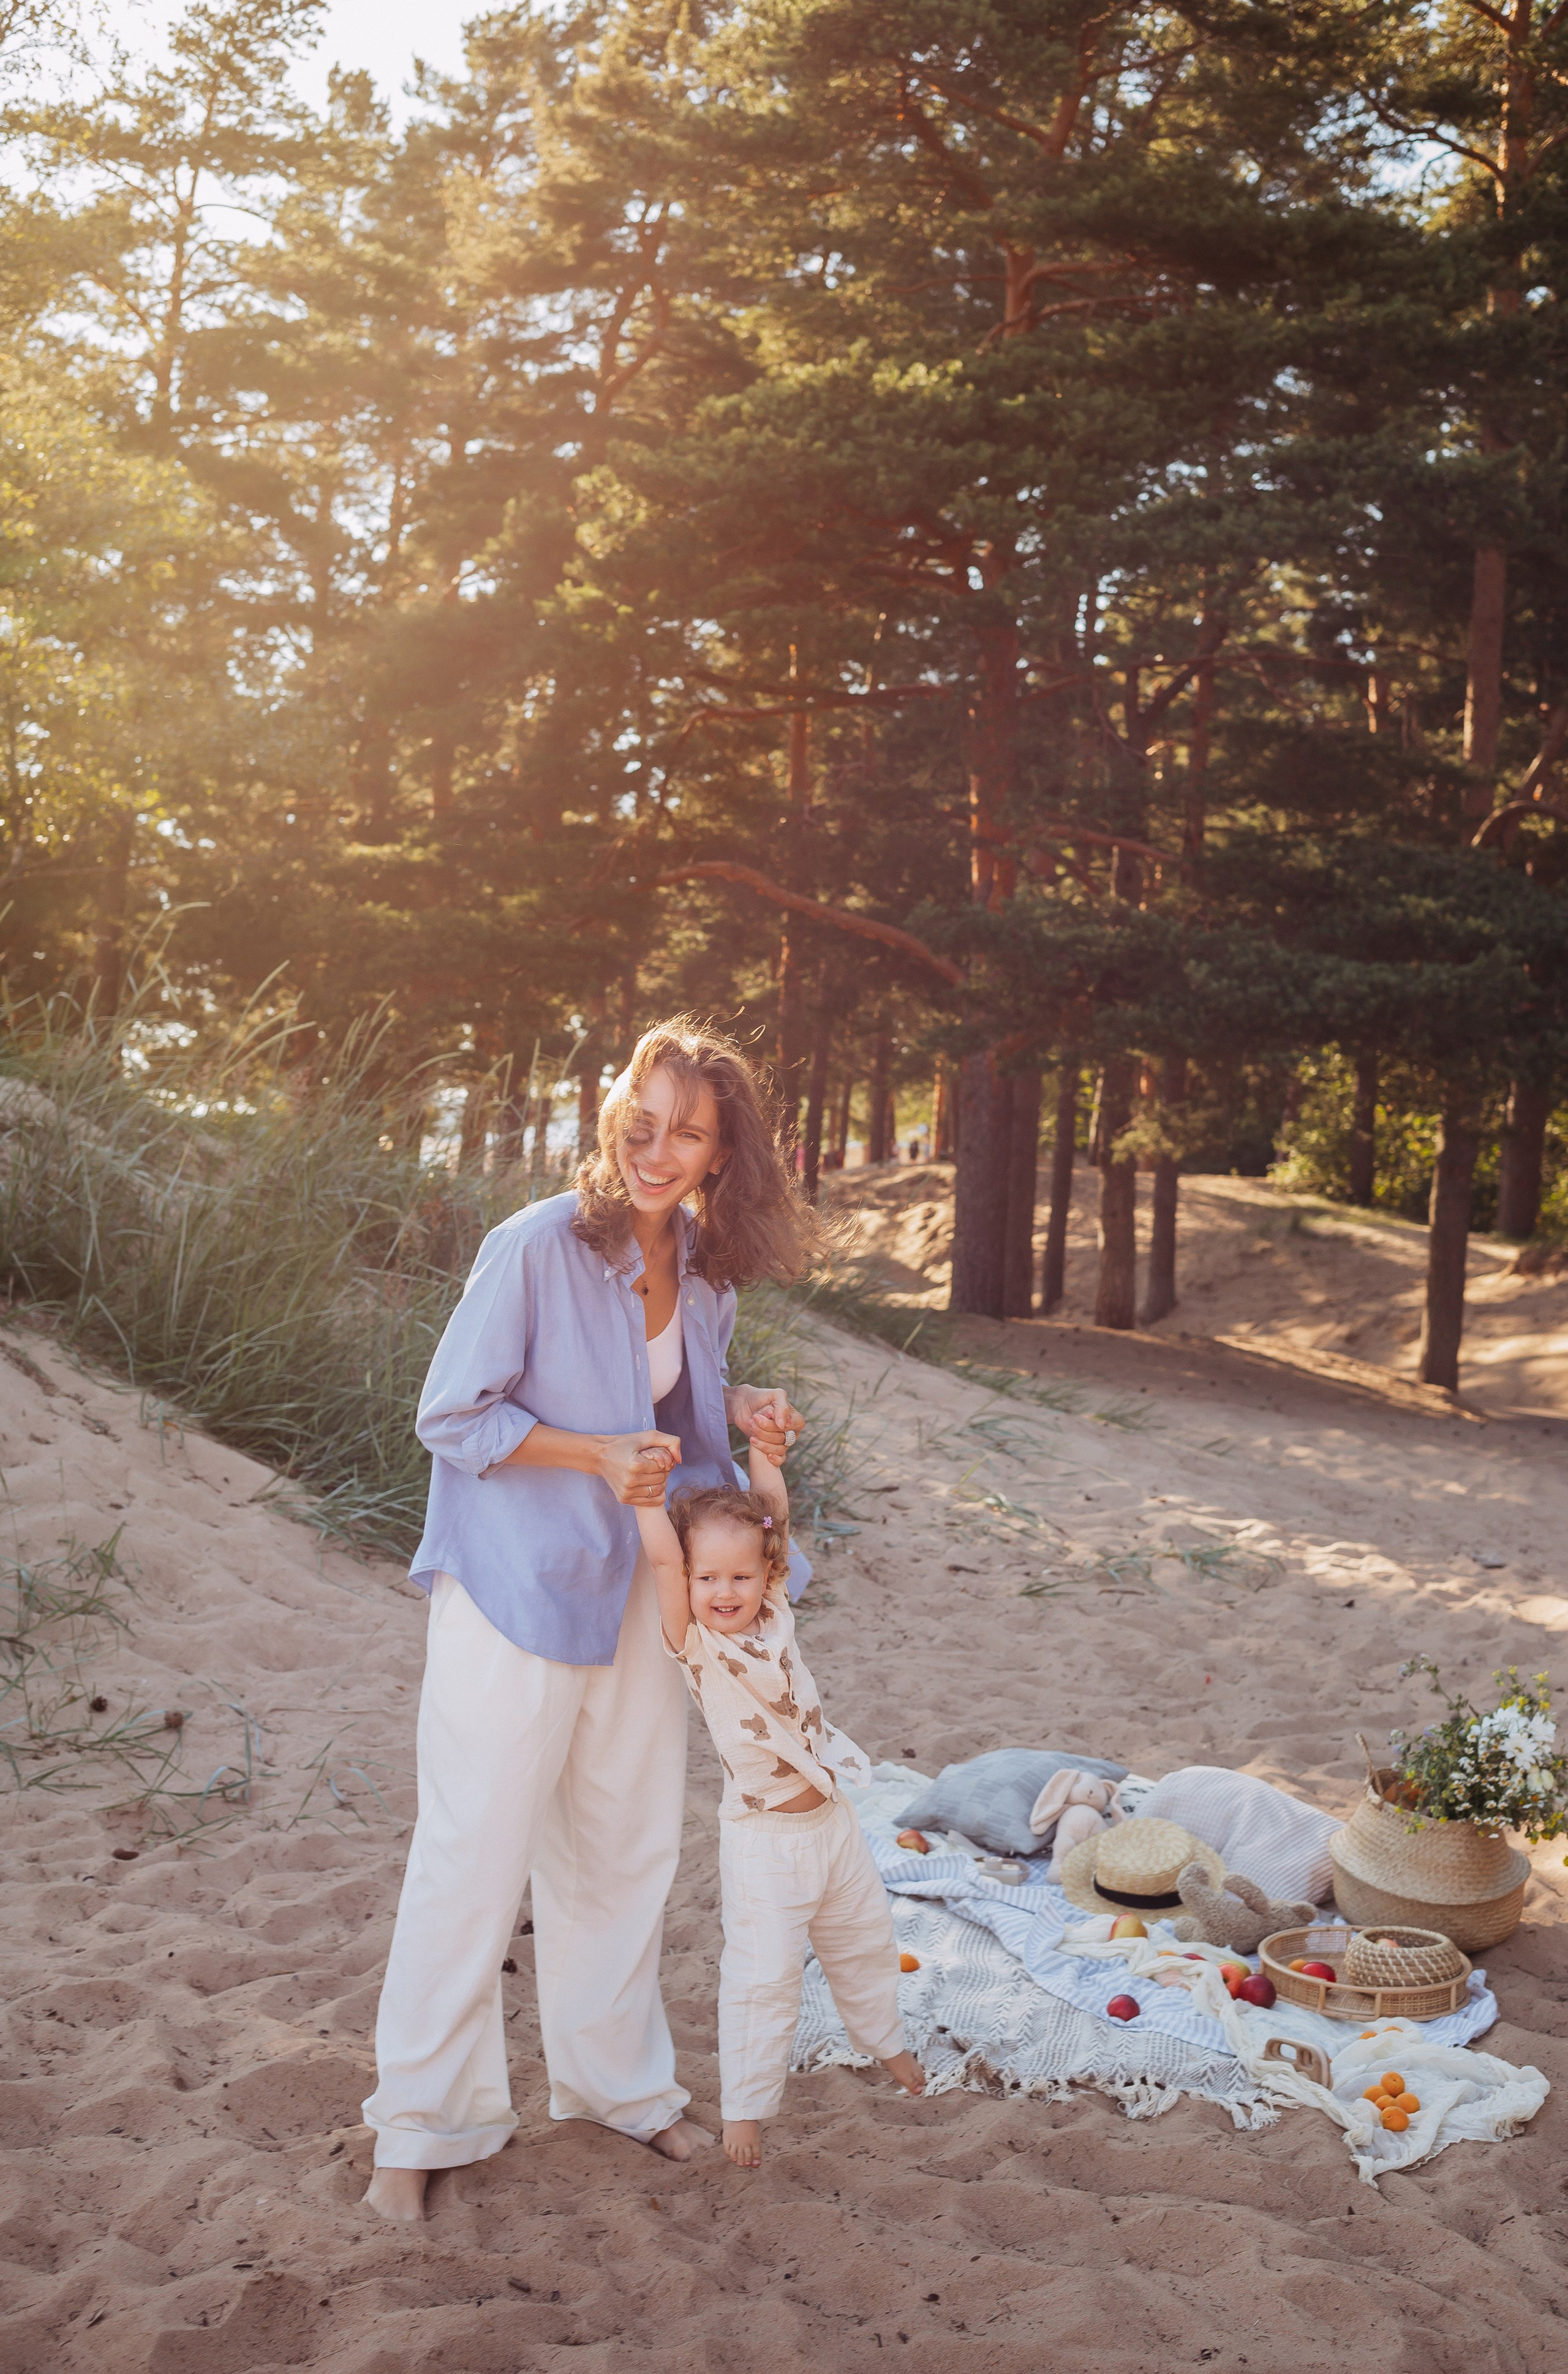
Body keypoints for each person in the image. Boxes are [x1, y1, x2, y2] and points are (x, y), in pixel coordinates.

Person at [361, 1018, 815, 2222]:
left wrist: (738, 1401)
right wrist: (592, 1452)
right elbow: (453, 1414)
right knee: (474, 1852)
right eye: (641, 1119)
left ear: (723, 1154)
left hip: (636, 1580)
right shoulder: (533, 1244)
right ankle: (416, 2123)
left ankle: (616, 2084)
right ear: (614, 1110)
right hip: (513, 1578)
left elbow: (663, 1395)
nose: (654, 1148)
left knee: (623, 1844)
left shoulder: (705, 1265)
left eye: (686, 1131)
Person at [631, 1411, 924, 2168]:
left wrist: (765, 1455)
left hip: (831, 1822)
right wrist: (643, 1500)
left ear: (768, 1573)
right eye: (708, 1577)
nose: (723, 1590)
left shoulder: (776, 1610)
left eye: (739, 1575)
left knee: (864, 1941)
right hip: (765, 1843)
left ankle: (887, 2046)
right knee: (763, 1980)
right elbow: (664, 1566)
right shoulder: (695, 1644)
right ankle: (747, 2109)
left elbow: (776, 1516)